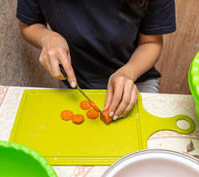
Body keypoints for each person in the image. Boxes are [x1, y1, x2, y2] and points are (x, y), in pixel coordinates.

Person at [16, 0, 176, 120]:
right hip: (75, 86)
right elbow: (29, 24)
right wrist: (47, 38)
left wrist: (128, 73)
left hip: (135, 81)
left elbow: (151, 42)